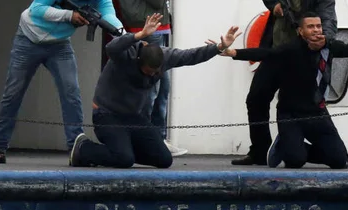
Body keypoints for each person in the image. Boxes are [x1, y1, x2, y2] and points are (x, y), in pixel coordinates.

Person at [222, 12, 348, 169]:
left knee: (339, 161)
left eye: (318, 26)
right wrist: (234, 53)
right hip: (291, 113)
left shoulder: (330, 46)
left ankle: (289, 145)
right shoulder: (291, 49)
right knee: (295, 161)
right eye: (311, 27)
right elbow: (266, 54)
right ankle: (289, 145)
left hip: (317, 112)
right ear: (300, 31)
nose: (316, 30)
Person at [0, 0, 124, 164]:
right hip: (28, 38)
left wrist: (129, 37)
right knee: (13, 93)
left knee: (71, 92)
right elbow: (38, 9)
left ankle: (76, 149)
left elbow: (111, 18)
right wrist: (69, 16)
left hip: (59, 44)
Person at [69, 13, 240, 168]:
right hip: (107, 115)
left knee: (164, 160)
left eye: (155, 72)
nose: (152, 75)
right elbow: (111, 48)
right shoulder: (126, 55)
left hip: (134, 117)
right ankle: (84, 148)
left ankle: (121, 152)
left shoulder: (164, 56)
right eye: (148, 71)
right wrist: (139, 35)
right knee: (124, 160)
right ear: (139, 61)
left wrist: (219, 47)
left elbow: (191, 56)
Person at [232, 0, 338, 166]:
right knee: (256, 99)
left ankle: (298, 145)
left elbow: (328, 22)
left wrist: (322, 39)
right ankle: (260, 150)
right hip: (277, 51)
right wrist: (274, 5)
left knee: (305, 104)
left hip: (302, 59)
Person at [117, 0, 187, 156]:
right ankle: (149, 139)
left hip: (158, 29)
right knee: (153, 89)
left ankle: (158, 138)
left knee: (162, 88)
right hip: (149, 32)